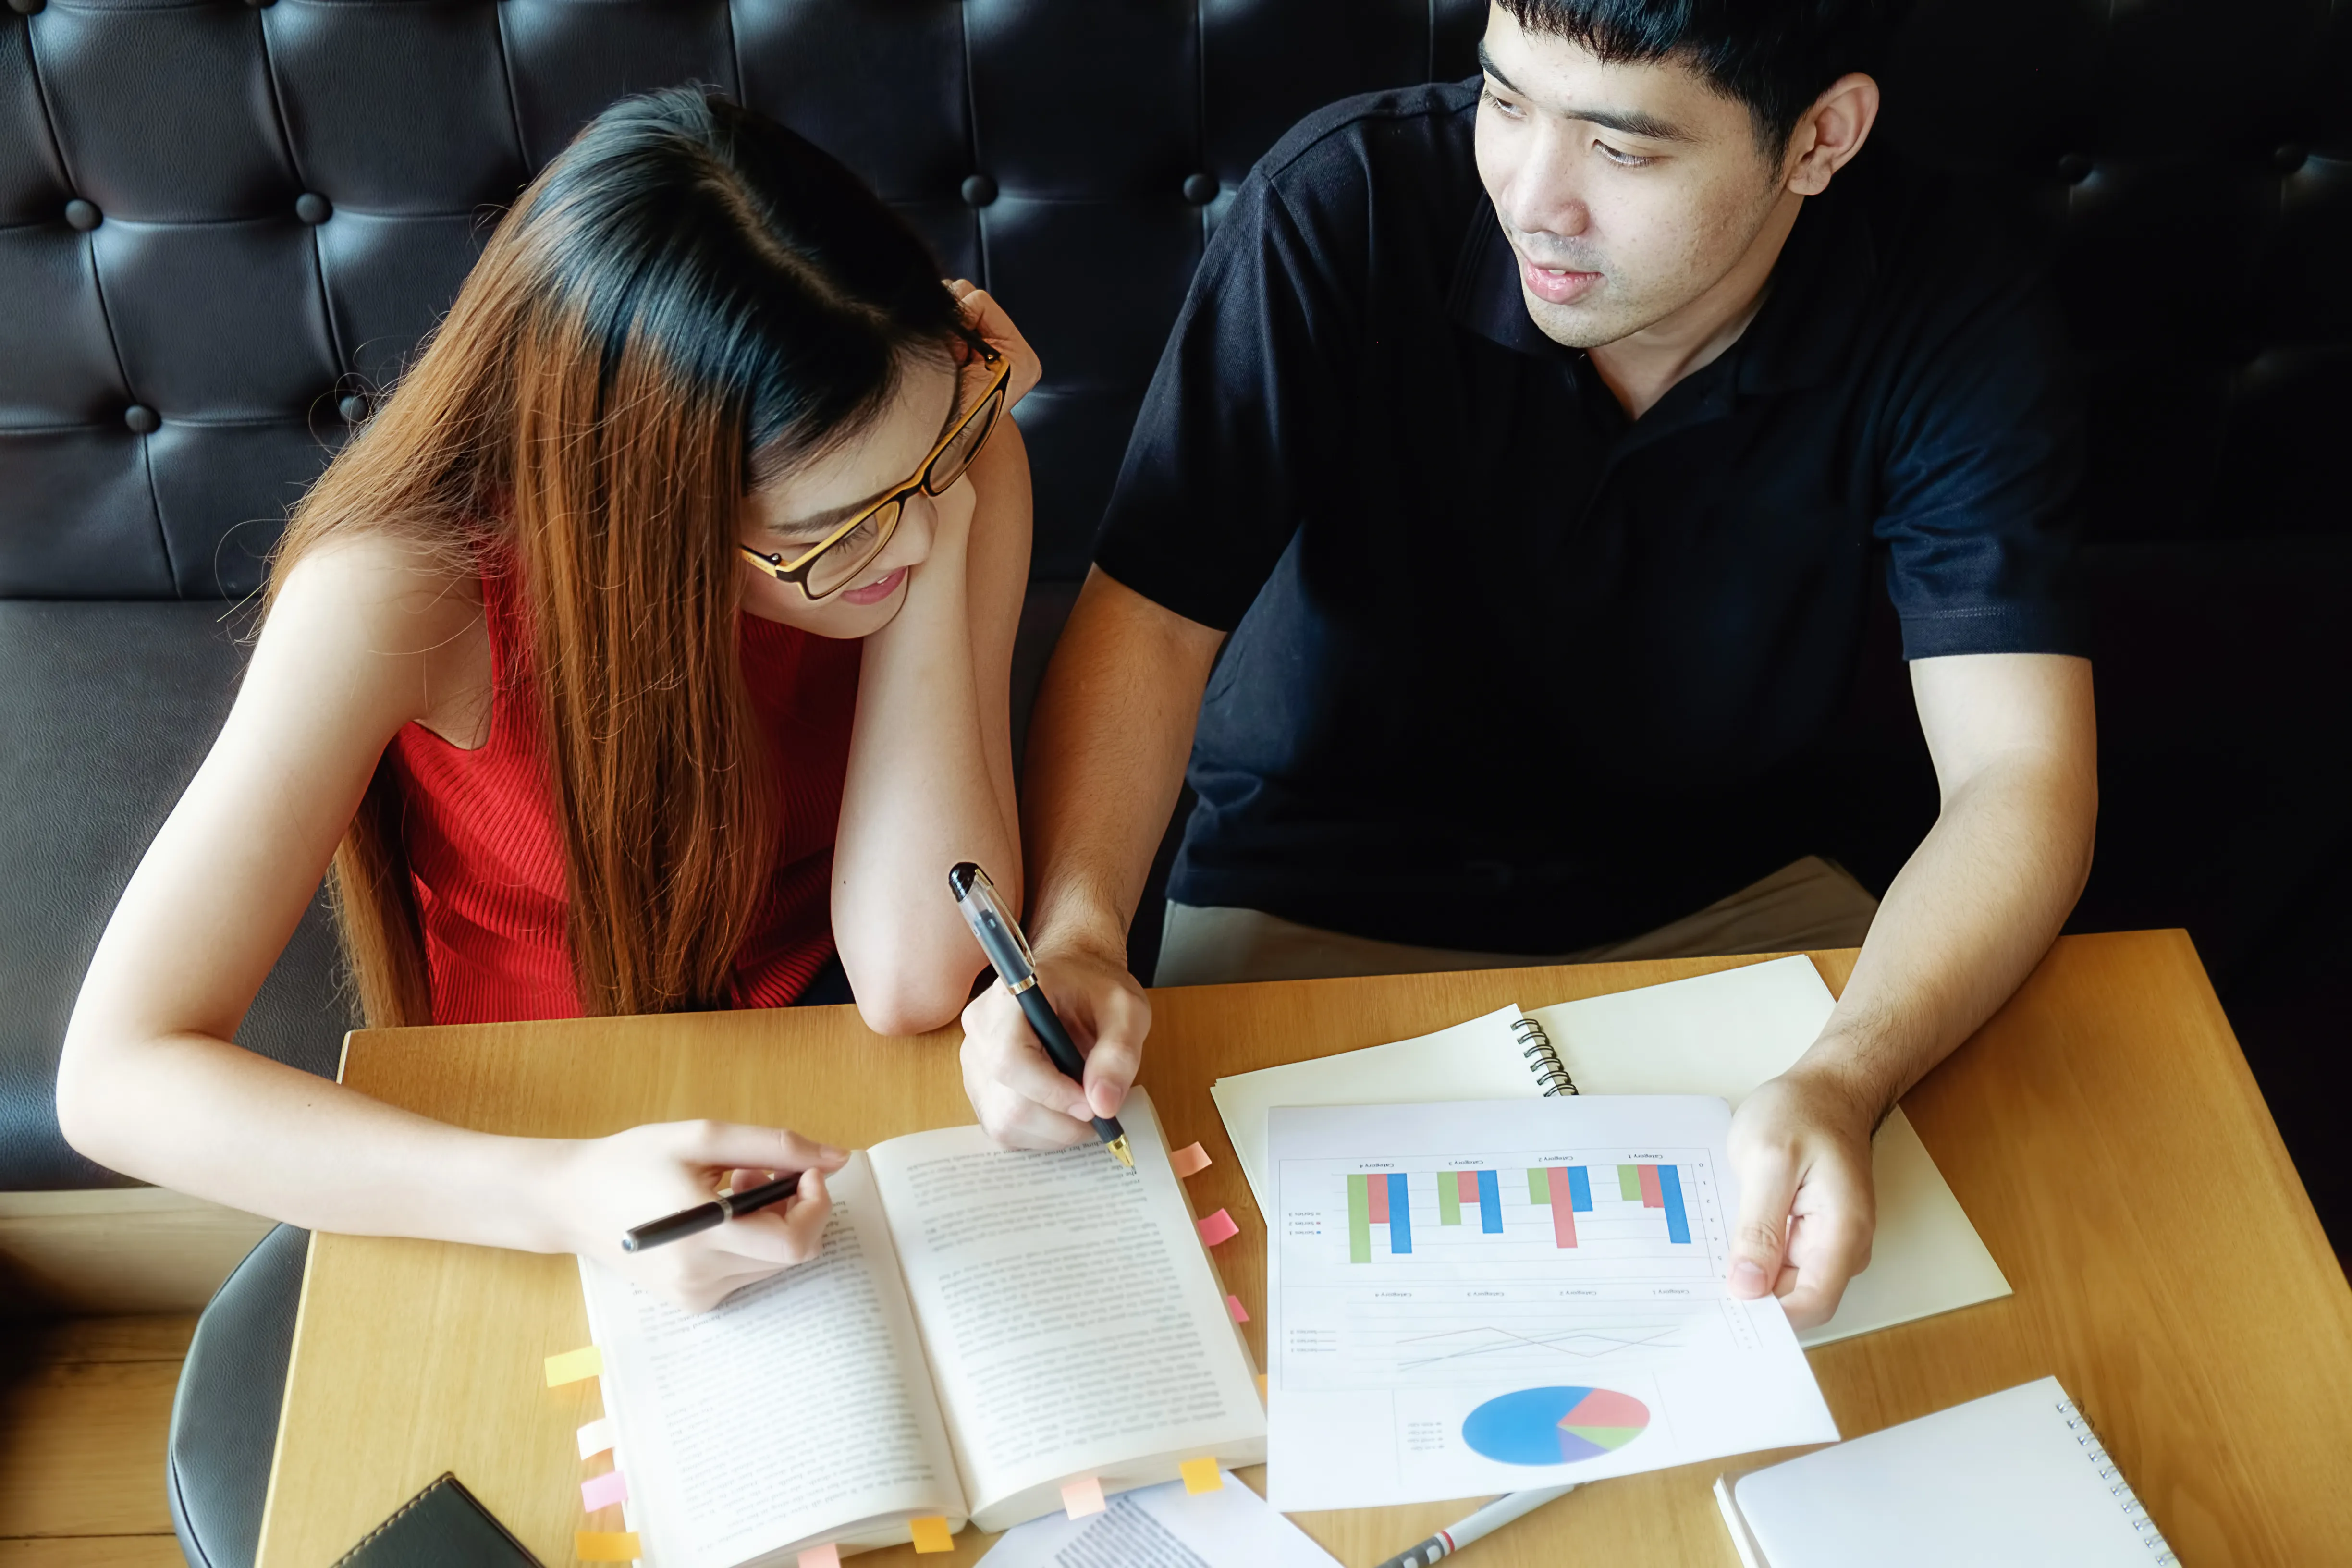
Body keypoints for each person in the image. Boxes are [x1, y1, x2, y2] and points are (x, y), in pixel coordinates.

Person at [961, 0, 2097, 1329]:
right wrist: (1082, 930)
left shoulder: (1950, 296)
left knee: (1908, 1346)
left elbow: (2020, 771)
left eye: (1624, 152)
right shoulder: (1352, 202)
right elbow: (1151, 612)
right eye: (1506, 103)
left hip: (1738, 899)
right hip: (1315, 878)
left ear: (1819, 140)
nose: (1535, 199)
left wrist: (1848, 1073)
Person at [55, 90, 1040, 1312]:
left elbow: (910, 975)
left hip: (836, 1067)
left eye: (929, 458)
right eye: (825, 534)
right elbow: (115, 1076)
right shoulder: (399, 595)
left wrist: (943, 496)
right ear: (641, 520)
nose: (910, 534)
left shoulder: (948, 458)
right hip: (528, 1133)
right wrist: (565, 1196)